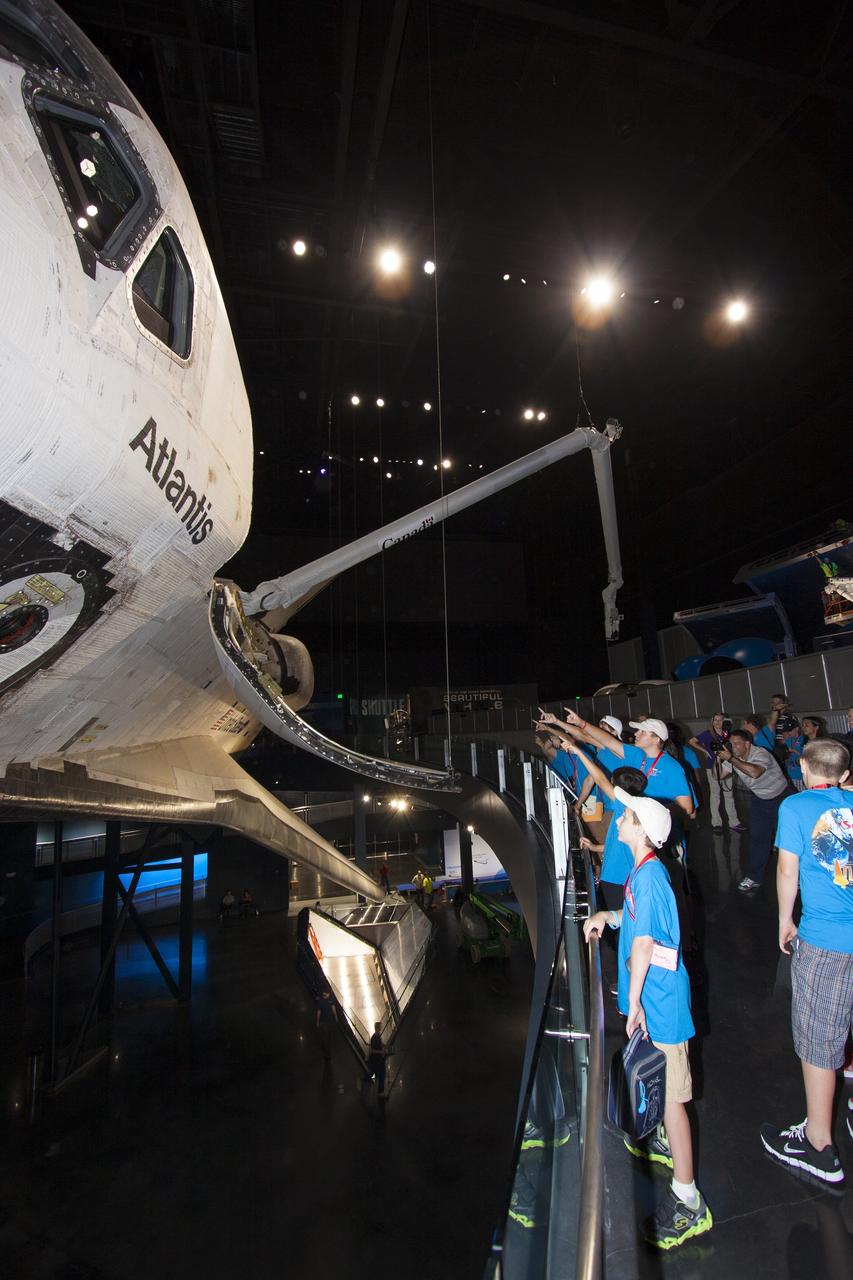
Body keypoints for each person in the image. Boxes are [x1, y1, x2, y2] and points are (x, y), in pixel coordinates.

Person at [583, 789, 713, 1249]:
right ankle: (660, 1139)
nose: (617, 819)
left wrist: (633, 1001)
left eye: (626, 816)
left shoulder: (652, 876)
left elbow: (643, 947)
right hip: (653, 1002)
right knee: (665, 1090)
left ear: (641, 829)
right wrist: (608, 915)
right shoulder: (644, 873)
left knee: (676, 1100)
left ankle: (688, 1200)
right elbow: (638, 923)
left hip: (660, 1006)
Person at [759, 738, 851, 1186]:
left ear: (802, 767)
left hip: (826, 939)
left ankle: (818, 1143)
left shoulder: (796, 808)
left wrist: (783, 919)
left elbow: (787, 870)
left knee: (819, 1037)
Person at [717, 729, 790, 892]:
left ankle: (798, 877)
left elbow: (755, 772)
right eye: (732, 743)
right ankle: (754, 876)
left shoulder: (761, 753)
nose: (734, 747)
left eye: (737, 743)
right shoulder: (733, 759)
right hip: (760, 799)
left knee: (788, 839)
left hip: (781, 797)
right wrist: (716, 758)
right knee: (758, 838)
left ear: (747, 744)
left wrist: (730, 758)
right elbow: (718, 776)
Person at [689, 713, 744, 833]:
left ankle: (733, 822)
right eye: (716, 720)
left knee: (729, 794)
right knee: (715, 795)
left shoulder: (728, 734)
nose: (718, 722)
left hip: (727, 765)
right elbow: (692, 741)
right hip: (712, 767)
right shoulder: (708, 734)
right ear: (712, 721)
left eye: (720, 720)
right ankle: (716, 823)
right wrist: (705, 751)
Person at [365, 1022, 389, 1096]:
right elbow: (372, 1050)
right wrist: (381, 1052)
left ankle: (370, 1082)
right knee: (381, 1074)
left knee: (378, 1073)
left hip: (378, 1059)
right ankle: (380, 1092)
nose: (381, 1029)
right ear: (377, 1028)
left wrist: (385, 1046)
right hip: (377, 1060)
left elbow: (380, 1043)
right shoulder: (375, 1037)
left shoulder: (377, 1036)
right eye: (380, 1027)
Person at [315, 988, 338, 1060]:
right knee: (325, 1036)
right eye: (328, 994)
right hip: (323, 1022)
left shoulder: (330, 999)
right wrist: (318, 1022)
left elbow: (333, 1008)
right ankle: (326, 1052)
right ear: (325, 994)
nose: (329, 995)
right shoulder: (320, 1001)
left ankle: (328, 1047)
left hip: (330, 1021)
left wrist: (336, 1016)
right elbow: (319, 1012)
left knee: (329, 1034)